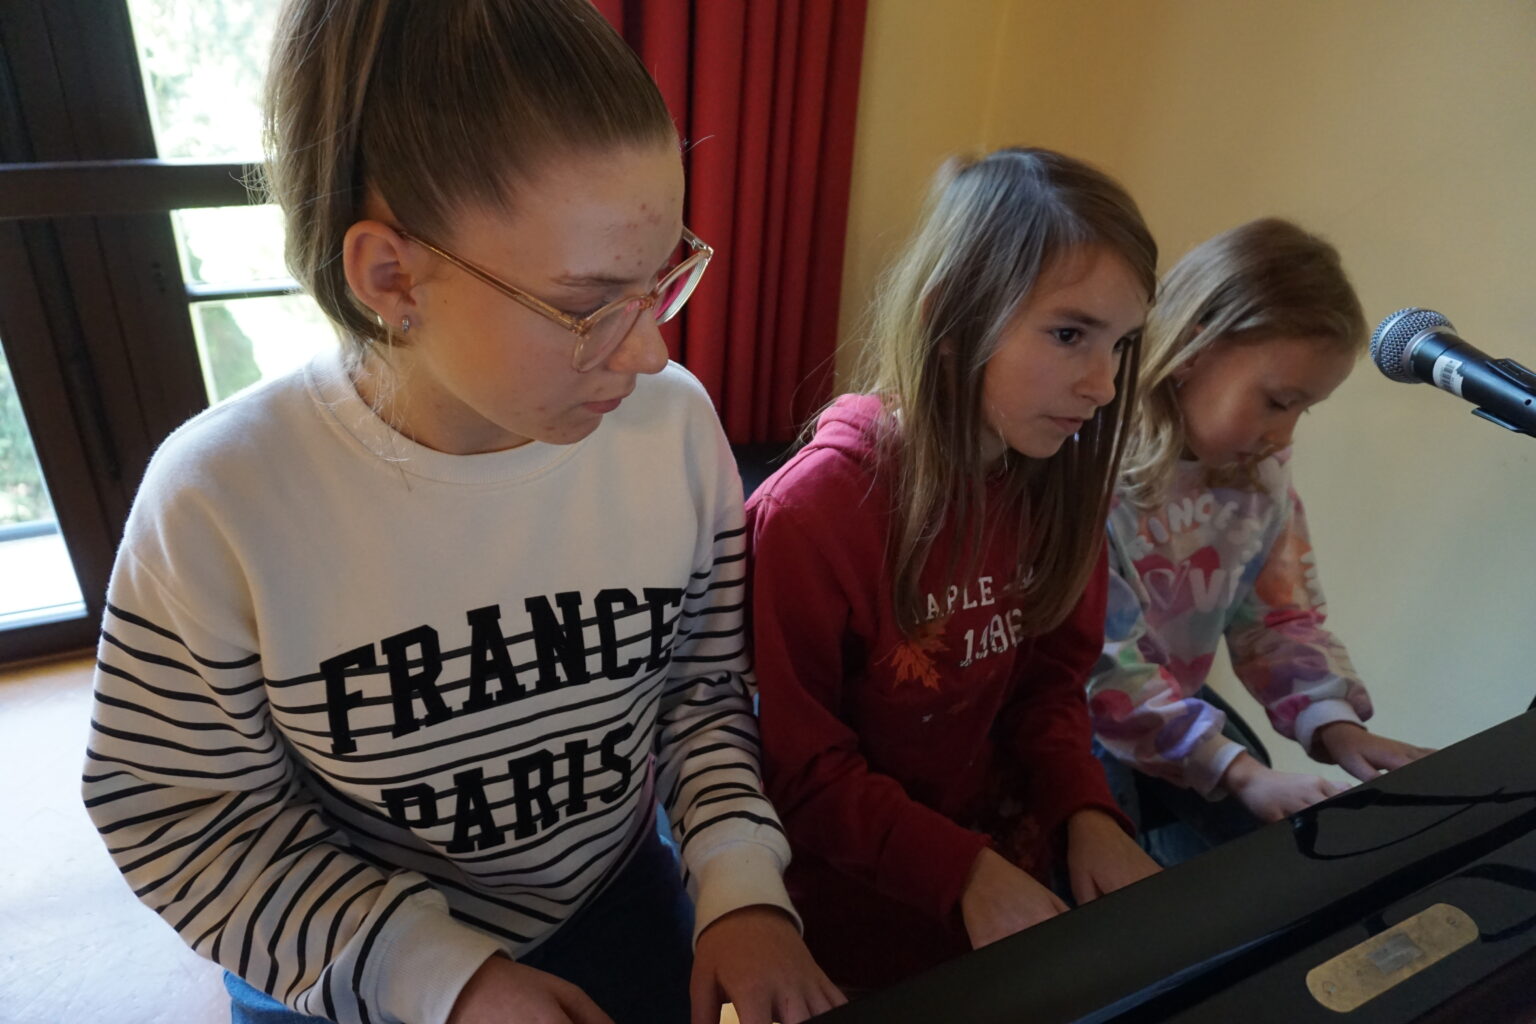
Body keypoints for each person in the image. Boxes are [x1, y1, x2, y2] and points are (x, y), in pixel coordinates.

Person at [80, 3, 843, 1023]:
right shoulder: (218, 503)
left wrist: (742, 889)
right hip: (350, 959)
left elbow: (702, 694)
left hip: (612, 901)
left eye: (660, 278)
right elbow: (189, 820)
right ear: (392, 275)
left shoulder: (671, 429)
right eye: (588, 304)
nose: (650, 351)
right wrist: (446, 977)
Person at [745, 147, 1163, 991]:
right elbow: (801, 770)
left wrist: (1084, 809)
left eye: (1120, 345)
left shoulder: (1053, 481)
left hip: (1007, 888)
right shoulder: (813, 514)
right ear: (950, 317)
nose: (1103, 385)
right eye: (1070, 335)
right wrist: (962, 871)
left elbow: (1047, 693)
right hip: (848, 918)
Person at [1088, 217, 1435, 865]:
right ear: (1193, 350)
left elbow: (1278, 617)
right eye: (1278, 402)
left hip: (1173, 705)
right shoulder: (1093, 467)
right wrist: (1239, 770)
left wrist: (1334, 725)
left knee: (1277, 858)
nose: (1286, 433)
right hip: (1074, 719)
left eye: (1304, 408)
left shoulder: (1258, 471)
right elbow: (1104, 663)